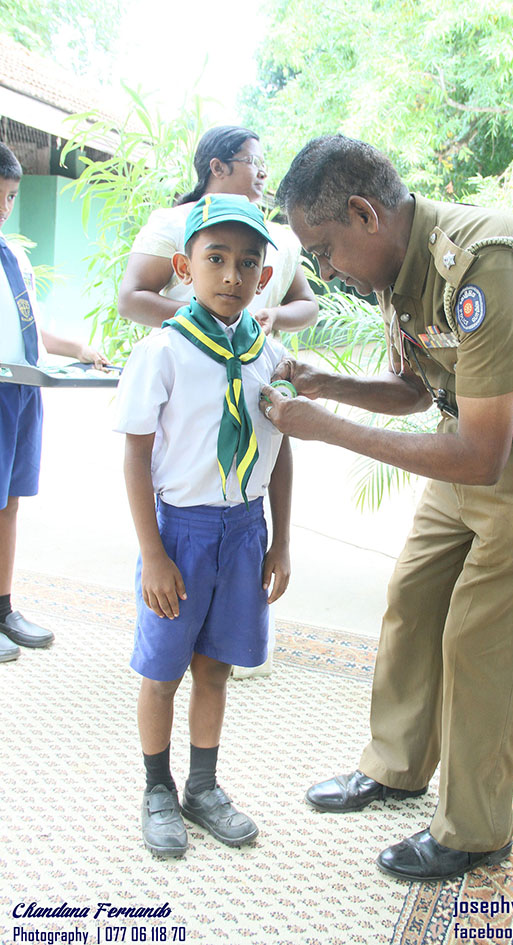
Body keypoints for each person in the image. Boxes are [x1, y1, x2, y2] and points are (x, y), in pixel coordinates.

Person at [259, 134, 513, 882]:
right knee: (414, 597)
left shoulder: (486, 266)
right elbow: (419, 390)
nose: (323, 272)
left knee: (486, 633)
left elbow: (482, 458)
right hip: (476, 430)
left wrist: (328, 430)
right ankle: (396, 765)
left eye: (324, 251)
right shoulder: (399, 265)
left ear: (364, 214)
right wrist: (329, 386)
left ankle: (476, 827)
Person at [114, 194, 292, 857]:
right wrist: (153, 553)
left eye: (247, 263)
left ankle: (203, 785)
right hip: (180, 534)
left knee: (215, 670)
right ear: (182, 267)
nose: (230, 276)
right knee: (162, 672)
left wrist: (282, 540)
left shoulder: (268, 356)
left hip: (245, 531)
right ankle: (157, 787)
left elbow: (282, 450)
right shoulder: (162, 350)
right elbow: (135, 453)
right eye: (214, 258)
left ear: (264, 277)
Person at [0, 142, 107, 664]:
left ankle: (4, 607)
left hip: (21, 391)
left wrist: (82, 349)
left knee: (10, 500)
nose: (4, 207)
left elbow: (33, 328)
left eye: (11, 196)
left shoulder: (15, 256)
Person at [117, 124, 318, 335]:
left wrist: (274, 316)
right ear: (218, 167)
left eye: (249, 263)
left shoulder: (276, 237)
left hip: (254, 365)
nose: (263, 173)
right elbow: (131, 299)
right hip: (183, 361)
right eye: (252, 161)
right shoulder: (174, 222)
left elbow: (307, 305)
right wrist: (210, 320)